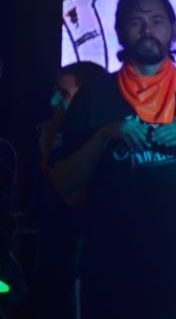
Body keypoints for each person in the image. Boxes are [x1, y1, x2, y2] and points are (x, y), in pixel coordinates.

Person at [50, 0, 176, 319]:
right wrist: (104, 136)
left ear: (173, 30)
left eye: (156, 21)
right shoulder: (93, 97)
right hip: (110, 269)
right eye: (136, 21)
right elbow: (63, 182)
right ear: (119, 31)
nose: (147, 29)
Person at [32, 61, 106, 319]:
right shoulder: (54, 135)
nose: (53, 102)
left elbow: (72, 195)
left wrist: (48, 150)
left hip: (85, 259)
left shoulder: (102, 142)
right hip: (53, 258)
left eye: (63, 94)